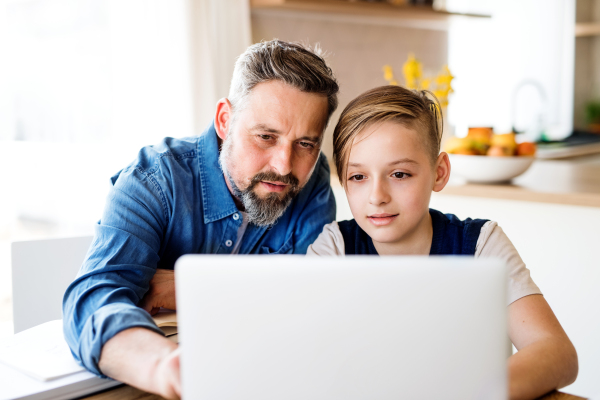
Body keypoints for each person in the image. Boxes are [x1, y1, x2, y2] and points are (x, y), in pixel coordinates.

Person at [63, 40, 339, 399]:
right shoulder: (154, 181)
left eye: (305, 144)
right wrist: (168, 369)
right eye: (265, 137)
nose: (284, 166)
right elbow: (93, 300)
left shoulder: (313, 181)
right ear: (225, 120)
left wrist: (190, 287)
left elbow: (313, 300)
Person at [307, 85, 578, 400]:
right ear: (343, 180)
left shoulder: (481, 245)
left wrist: (478, 392)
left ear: (439, 172)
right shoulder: (333, 250)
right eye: (358, 177)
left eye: (399, 174)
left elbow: (557, 352)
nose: (377, 196)